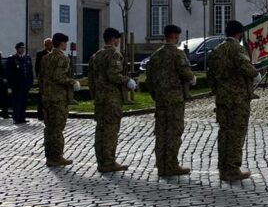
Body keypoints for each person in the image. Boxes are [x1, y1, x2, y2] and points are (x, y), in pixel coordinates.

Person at [208, 19, 258, 181]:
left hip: (222, 98)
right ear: (239, 34)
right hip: (238, 98)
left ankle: (223, 167)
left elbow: (211, 75)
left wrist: (217, 91)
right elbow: (245, 67)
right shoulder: (238, 49)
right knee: (237, 133)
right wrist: (255, 73)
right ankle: (232, 169)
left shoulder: (217, 50)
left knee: (224, 132)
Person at [145, 24, 196, 178]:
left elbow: (149, 80)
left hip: (161, 100)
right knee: (174, 132)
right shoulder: (177, 54)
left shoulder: (155, 55)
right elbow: (185, 72)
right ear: (175, 36)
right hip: (175, 100)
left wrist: (156, 95)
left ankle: (161, 165)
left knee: (161, 132)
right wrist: (192, 78)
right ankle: (171, 165)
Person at [88, 28, 137, 172]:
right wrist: (127, 80)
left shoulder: (96, 55)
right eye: (118, 38)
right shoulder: (114, 55)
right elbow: (113, 75)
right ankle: (109, 162)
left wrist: (95, 94)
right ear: (113, 39)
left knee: (101, 130)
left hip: (100, 99)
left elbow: (91, 79)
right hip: (111, 99)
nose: (119, 41)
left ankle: (101, 161)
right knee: (110, 131)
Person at [41, 33, 80, 167]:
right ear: (62, 43)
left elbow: (42, 77)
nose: (66, 45)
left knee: (49, 128)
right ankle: (57, 157)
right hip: (58, 98)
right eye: (65, 43)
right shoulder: (62, 58)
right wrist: (72, 82)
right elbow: (59, 76)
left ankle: (50, 156)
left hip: (47, 97)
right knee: (57, 128)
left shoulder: (45, 58)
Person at [6, 41, 34, 124]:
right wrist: (11, 84)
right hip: (17, 85)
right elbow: (9, 73)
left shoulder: (27, 58)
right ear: (17, 49)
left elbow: (30, 72)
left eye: (23, 48)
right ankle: (16, 117)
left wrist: (30, 82)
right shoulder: (12, 59)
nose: (22, 50)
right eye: (20, 48)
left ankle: (22, 117)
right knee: (16, 102)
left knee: (24, 101)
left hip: (25, 84)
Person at [35, 38, 54, 120]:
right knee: (42, 98)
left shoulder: (54, 53)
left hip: (53, 80)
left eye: (51, 43)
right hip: (43, 80)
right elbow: (37, 67)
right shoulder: (40, 54)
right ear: (45, 45)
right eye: (49, 43)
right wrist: (39, 79)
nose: (50, 45)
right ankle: (40, 114)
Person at [0, 52, 9, 119]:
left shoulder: (3, 62)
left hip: (3, 84)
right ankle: (5, 114)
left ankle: (5, 114)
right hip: (1, 82)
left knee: (5, 99)